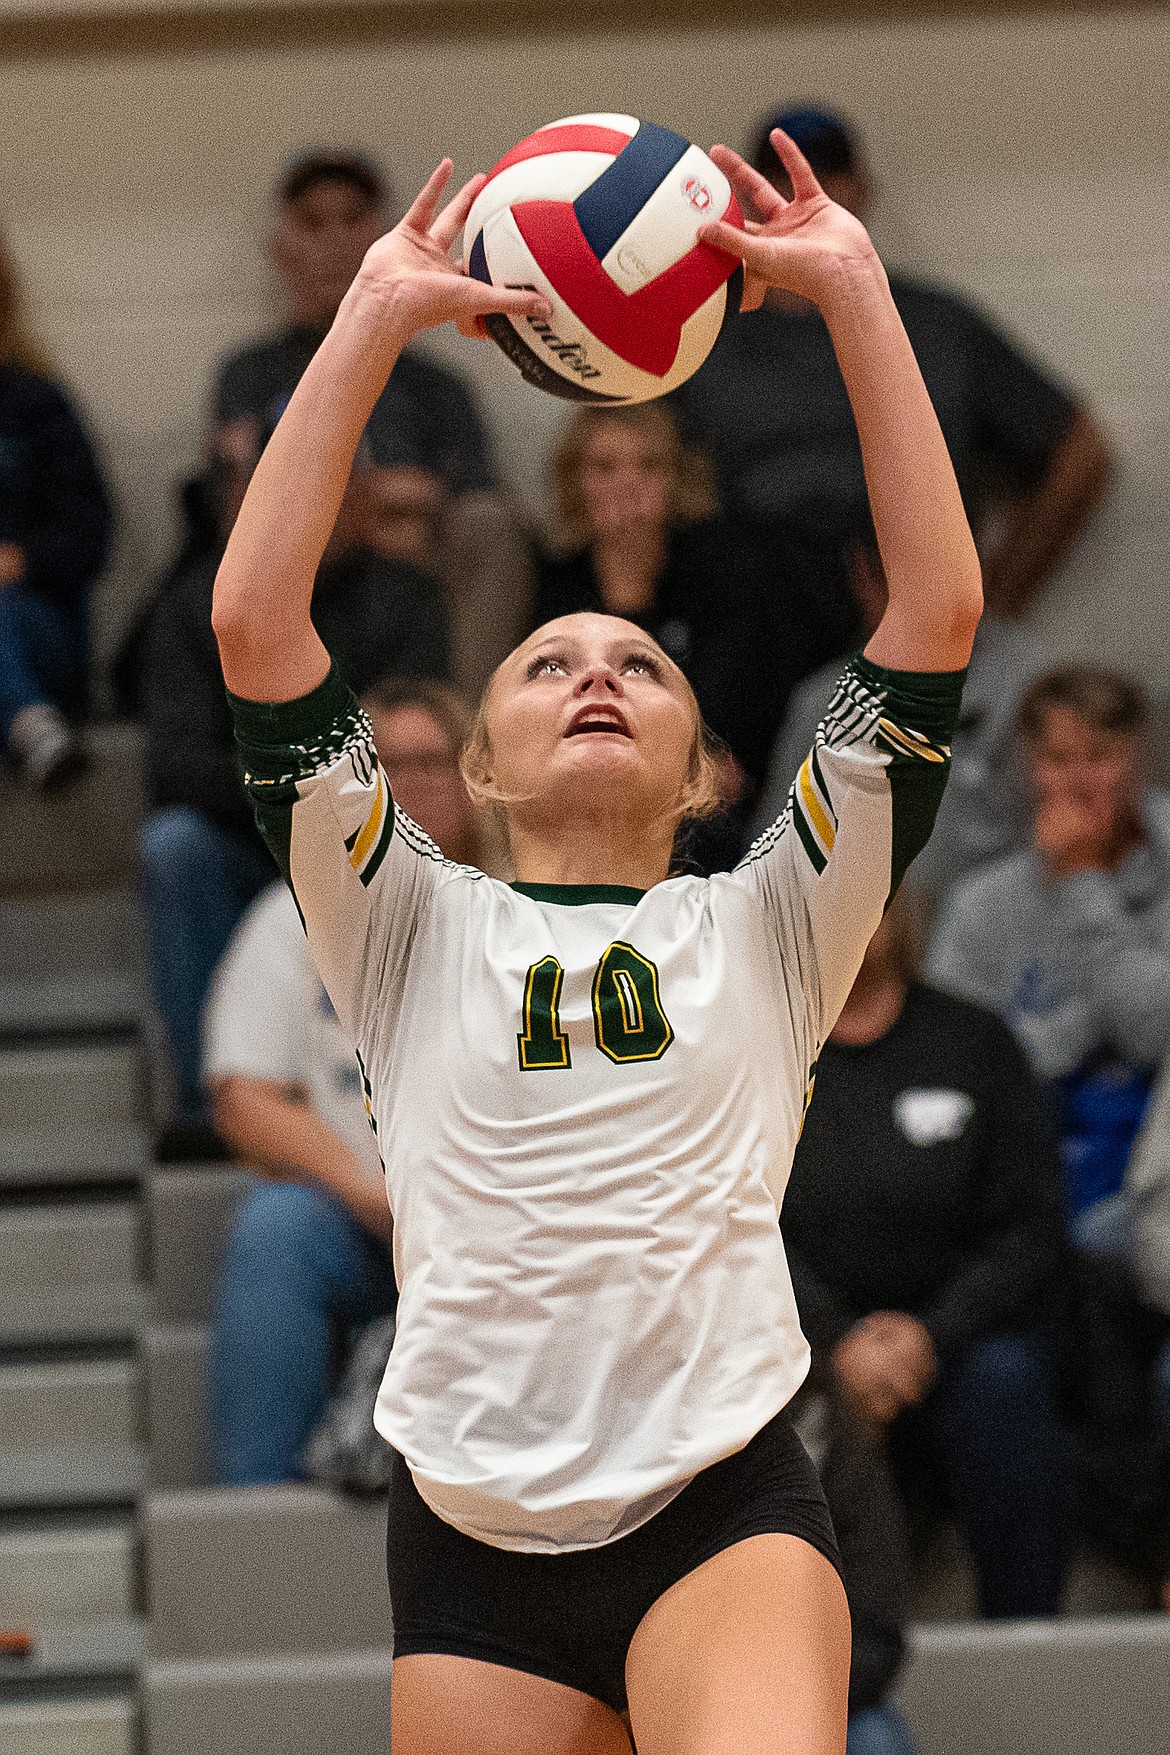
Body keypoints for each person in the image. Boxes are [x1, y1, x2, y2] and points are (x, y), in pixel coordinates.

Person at [211, 131, 981, 1755]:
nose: (596, 674)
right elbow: (256, 627)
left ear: (710, 766)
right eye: (550, 661)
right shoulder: (403, 916)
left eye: (634, 659)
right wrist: (370, 317)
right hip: (475, 1545)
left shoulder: (780, 913)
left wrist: (849, 291)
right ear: (475, 770)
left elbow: (933, 613)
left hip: (724, 1505)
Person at [206, 678, 486, 1485]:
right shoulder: (294, 917)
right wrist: (377, 1196)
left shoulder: (528, 909)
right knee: (276, 1226)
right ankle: (258, 1531)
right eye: (390, 764)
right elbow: (243, 1098)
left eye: (436, 760)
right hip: (365, 1231)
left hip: (509, 1232)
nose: (417, 780)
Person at [672, 106, 1110, 620]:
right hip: (747, 622)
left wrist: (999, 594)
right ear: (752, 189)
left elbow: (1079, 450)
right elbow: (611, 452)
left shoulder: (937, 324)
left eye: (828, 169)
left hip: (917, 617)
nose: (806, 189)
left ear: (862, 187)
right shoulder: (703, 324)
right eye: (781, 173)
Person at [140, 452, 451, 1150]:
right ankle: (208, 1106)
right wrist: (301, 794)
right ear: (242, 498)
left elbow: (423, 731)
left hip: (371, 840)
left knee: (432, 793)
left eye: (322, 482)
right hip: (249, 841)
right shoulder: (199, 599)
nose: (300, 505)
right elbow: (176, 763)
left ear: (364, 499)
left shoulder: (407, 597)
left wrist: (305, 788)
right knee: (172, 846)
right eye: (276, 485)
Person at [783, 901, 1071, 1618]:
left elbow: (1032, 1226)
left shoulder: (975, 1041)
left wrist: (930, 1334)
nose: (855, 907)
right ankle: (809, 1659)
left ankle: (1025, 1642)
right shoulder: (765, 1048)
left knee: (1010, 1381)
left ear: (903, 907)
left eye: (875, 885)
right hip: (803, 1342)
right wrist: (838, 1339)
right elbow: (736, 1217)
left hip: (959, 1341)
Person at [212, 149, 531, 698]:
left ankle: (462, 730)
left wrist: (354, 501)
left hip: (419, 569)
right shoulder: (248, 373)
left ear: (382, 236)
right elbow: (241, 502)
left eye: (352, 219)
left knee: (489, 527)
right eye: (314, 222)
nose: (335, 240)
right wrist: (385, 504)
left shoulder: (436, 386)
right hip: (296, 564)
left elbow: (473, 498)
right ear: (281, 252)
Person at [537, 403, 847, 866]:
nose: (627, 484)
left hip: (709, 811)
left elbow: (727, 735)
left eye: (648, 465)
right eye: (605, 467)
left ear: (673, 481)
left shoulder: (720, 577)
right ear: (576, 483)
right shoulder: (555, 585)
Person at [928, 668, 1170, 1236]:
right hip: (1032, 1173)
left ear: (1136, 756)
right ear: (1028, 768)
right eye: (1058, 760)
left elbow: (1156, 1032)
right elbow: (953, 1073)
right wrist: (1082, 1028)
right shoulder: (981, 905)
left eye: (1100, 757)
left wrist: (1081, 882)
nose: (1080, 783)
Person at [749, 540, 1044, 899]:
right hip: (855, 933)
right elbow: (767, 869)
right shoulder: (821, 704)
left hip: (995, 931)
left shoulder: (1033, 686)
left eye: (944, 579)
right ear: (867, 582)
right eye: (909, 583)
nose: (929, 605)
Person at [0, 227, 112, 788]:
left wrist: (17, 561)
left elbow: (89, 535)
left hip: (33, 623)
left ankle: (30, 723)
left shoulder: (35, 404)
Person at [788, 1382, 918, 1755]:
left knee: (876, 1743)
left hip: (828, 1692)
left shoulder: (843, 1457)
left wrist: (793, 1694)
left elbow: (878, 1639)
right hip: (697, 1690)